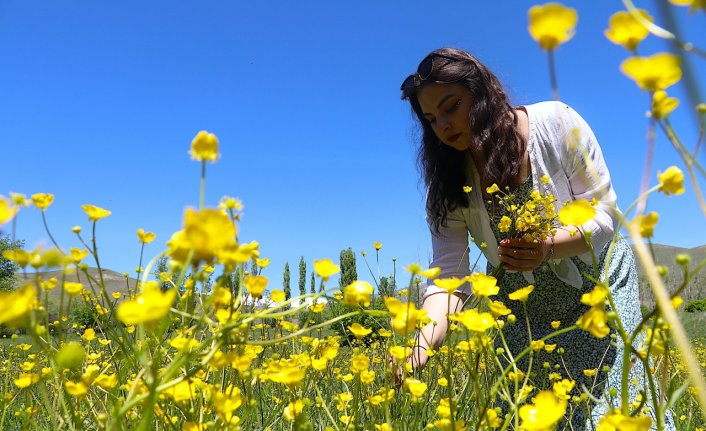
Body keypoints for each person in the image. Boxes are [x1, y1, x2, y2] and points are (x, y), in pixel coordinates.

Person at [398, 47, 674, 430]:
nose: (442, 125)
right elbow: (449, 276)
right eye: (431, 119)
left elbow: (604, 214)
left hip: (599, 287)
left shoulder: (556, 124)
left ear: (481, 92)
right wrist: (420, 347)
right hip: (522, 309)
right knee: (527, 416)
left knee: (613, 410)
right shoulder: (446, 185)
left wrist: (547, 248)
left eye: (451, 106)